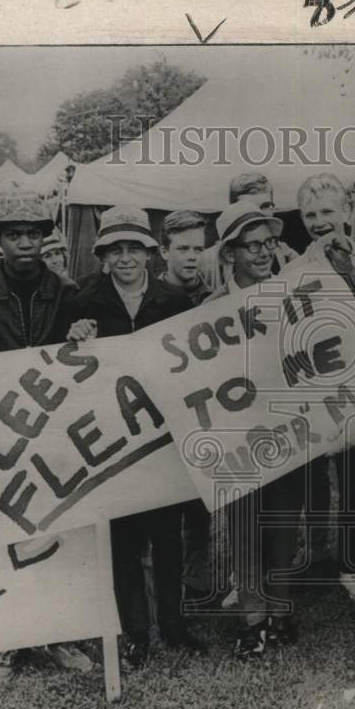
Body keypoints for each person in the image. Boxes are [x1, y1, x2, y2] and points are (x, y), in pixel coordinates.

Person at [0, 194, 93, 687]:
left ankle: (59, 636)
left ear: (45, 237)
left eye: (34, 234)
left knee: (58, 535)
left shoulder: (66, 290)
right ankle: (13, 645)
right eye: (14, 235)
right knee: (8, 540)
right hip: (1, 441)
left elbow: (86, 362)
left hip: (56, 435)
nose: (25, 244)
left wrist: (84, 333)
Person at [65, 206, 205, 668]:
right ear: (103, 254)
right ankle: (136, 633)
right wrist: (71, 337)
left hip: (162, 435)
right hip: (111, 439)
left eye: (134, 248)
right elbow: (60, 369)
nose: (125, 258)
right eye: (115, 249)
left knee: (168, 536)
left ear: (149, 252)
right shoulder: (82, 300)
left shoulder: (174, 301)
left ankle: (174, 625)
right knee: (123, 541)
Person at [202, 200, 307, 658]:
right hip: (238, 438)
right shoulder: (209, 309)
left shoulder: (292, 295)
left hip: (289, 428)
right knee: (244, 526)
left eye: (269, 242)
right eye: (252, 245)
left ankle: (281, 610)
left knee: (284, 522)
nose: (263, 252)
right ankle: (252, 618)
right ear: (230, 253)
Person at [292, 174, 355, 601]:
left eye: (328, 212)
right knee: (313, 480)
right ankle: (316, 556)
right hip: (316, 390)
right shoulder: (294, 269)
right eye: (311, 214)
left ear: (346, 213)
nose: (319, 221)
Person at [155, 210, 215, 606]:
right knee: (158, 507)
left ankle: (196, 580)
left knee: (199, 502)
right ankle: (159, 585)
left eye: (198, 248)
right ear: (164, 251)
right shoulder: (149, 296)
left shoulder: (216, 298)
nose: (191, 257)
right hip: (158, 416)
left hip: (204, 412)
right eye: (183, 249)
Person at [199, 173, 299, 293]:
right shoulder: (206, 263)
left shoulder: (288, 257)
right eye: (248, 208)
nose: (258, 215)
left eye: (266, 206)